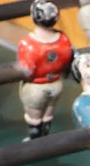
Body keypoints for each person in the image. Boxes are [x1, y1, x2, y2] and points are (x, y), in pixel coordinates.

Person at [16, 0, 72, 140]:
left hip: (35, 87)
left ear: (33, 17)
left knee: (34, 118)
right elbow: (67, 61)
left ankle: (35, 143)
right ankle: (46, 139)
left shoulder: (27, 44)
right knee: (48, 114)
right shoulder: (64, 39)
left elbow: (27, 70)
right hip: (56, 84)